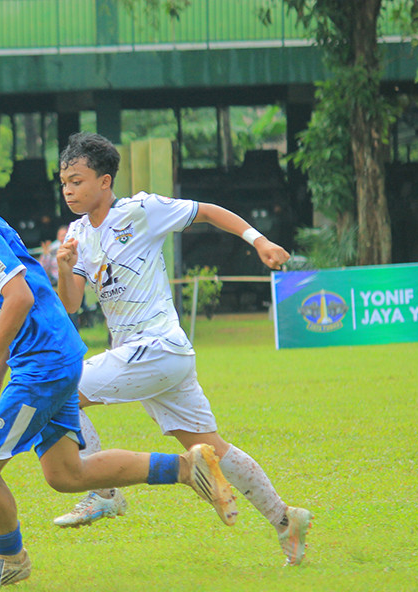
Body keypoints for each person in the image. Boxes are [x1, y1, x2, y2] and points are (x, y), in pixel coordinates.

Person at [0, 139, 236, 588]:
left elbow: (20, 299)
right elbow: (16, 304)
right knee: (66, 474)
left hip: (44, 365)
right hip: (52, 356)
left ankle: (10, 560)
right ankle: (187, 468)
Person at [52, 132, 312, 565]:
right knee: (213, 449)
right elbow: (72, 304)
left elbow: (206, 211)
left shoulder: (140, 210)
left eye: (77, 181)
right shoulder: (78, 234)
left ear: (105, 181)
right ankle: (287, 520)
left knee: (58, 389)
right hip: (153, 359)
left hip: (158, 347)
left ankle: (104, 493)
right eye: (64, 183)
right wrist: (64, 270)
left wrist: (259, 240)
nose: (68, 190)